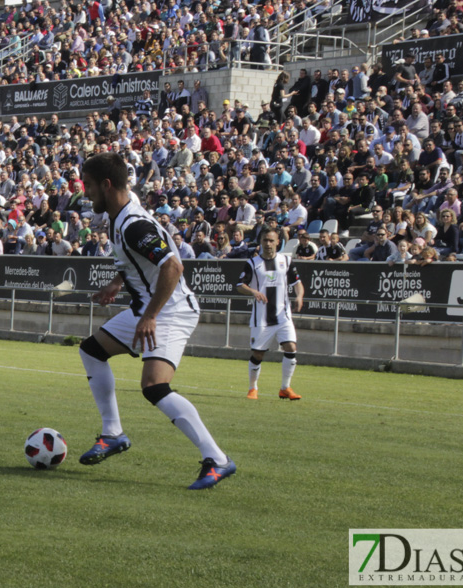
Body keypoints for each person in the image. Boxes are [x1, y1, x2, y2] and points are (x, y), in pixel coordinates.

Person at [75, 152, 235, 490]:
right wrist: (118, 283)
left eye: (88, 186)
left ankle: (217, 459)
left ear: (106, 185)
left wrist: (150, 316)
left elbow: (173, 267)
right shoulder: (121, 211)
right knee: (91, 350)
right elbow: (136, 259)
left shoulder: (133, 224)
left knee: (154, 386)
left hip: (169, 310)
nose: (84, 192)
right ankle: (113, 433)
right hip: (147, 306)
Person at [235, 228, 305, 401]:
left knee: (291, 347)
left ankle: (285, 388)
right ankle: (253, 388)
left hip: (283, 315)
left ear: (278, 242)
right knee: (258, 354)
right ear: (261, 242)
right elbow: (239, 285)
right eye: (265, 240)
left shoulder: (286, 261)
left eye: (271, 241)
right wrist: (253, 291)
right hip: (262, 318)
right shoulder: (253, 263)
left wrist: (300, 296)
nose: (268, 244)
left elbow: (297, 282)